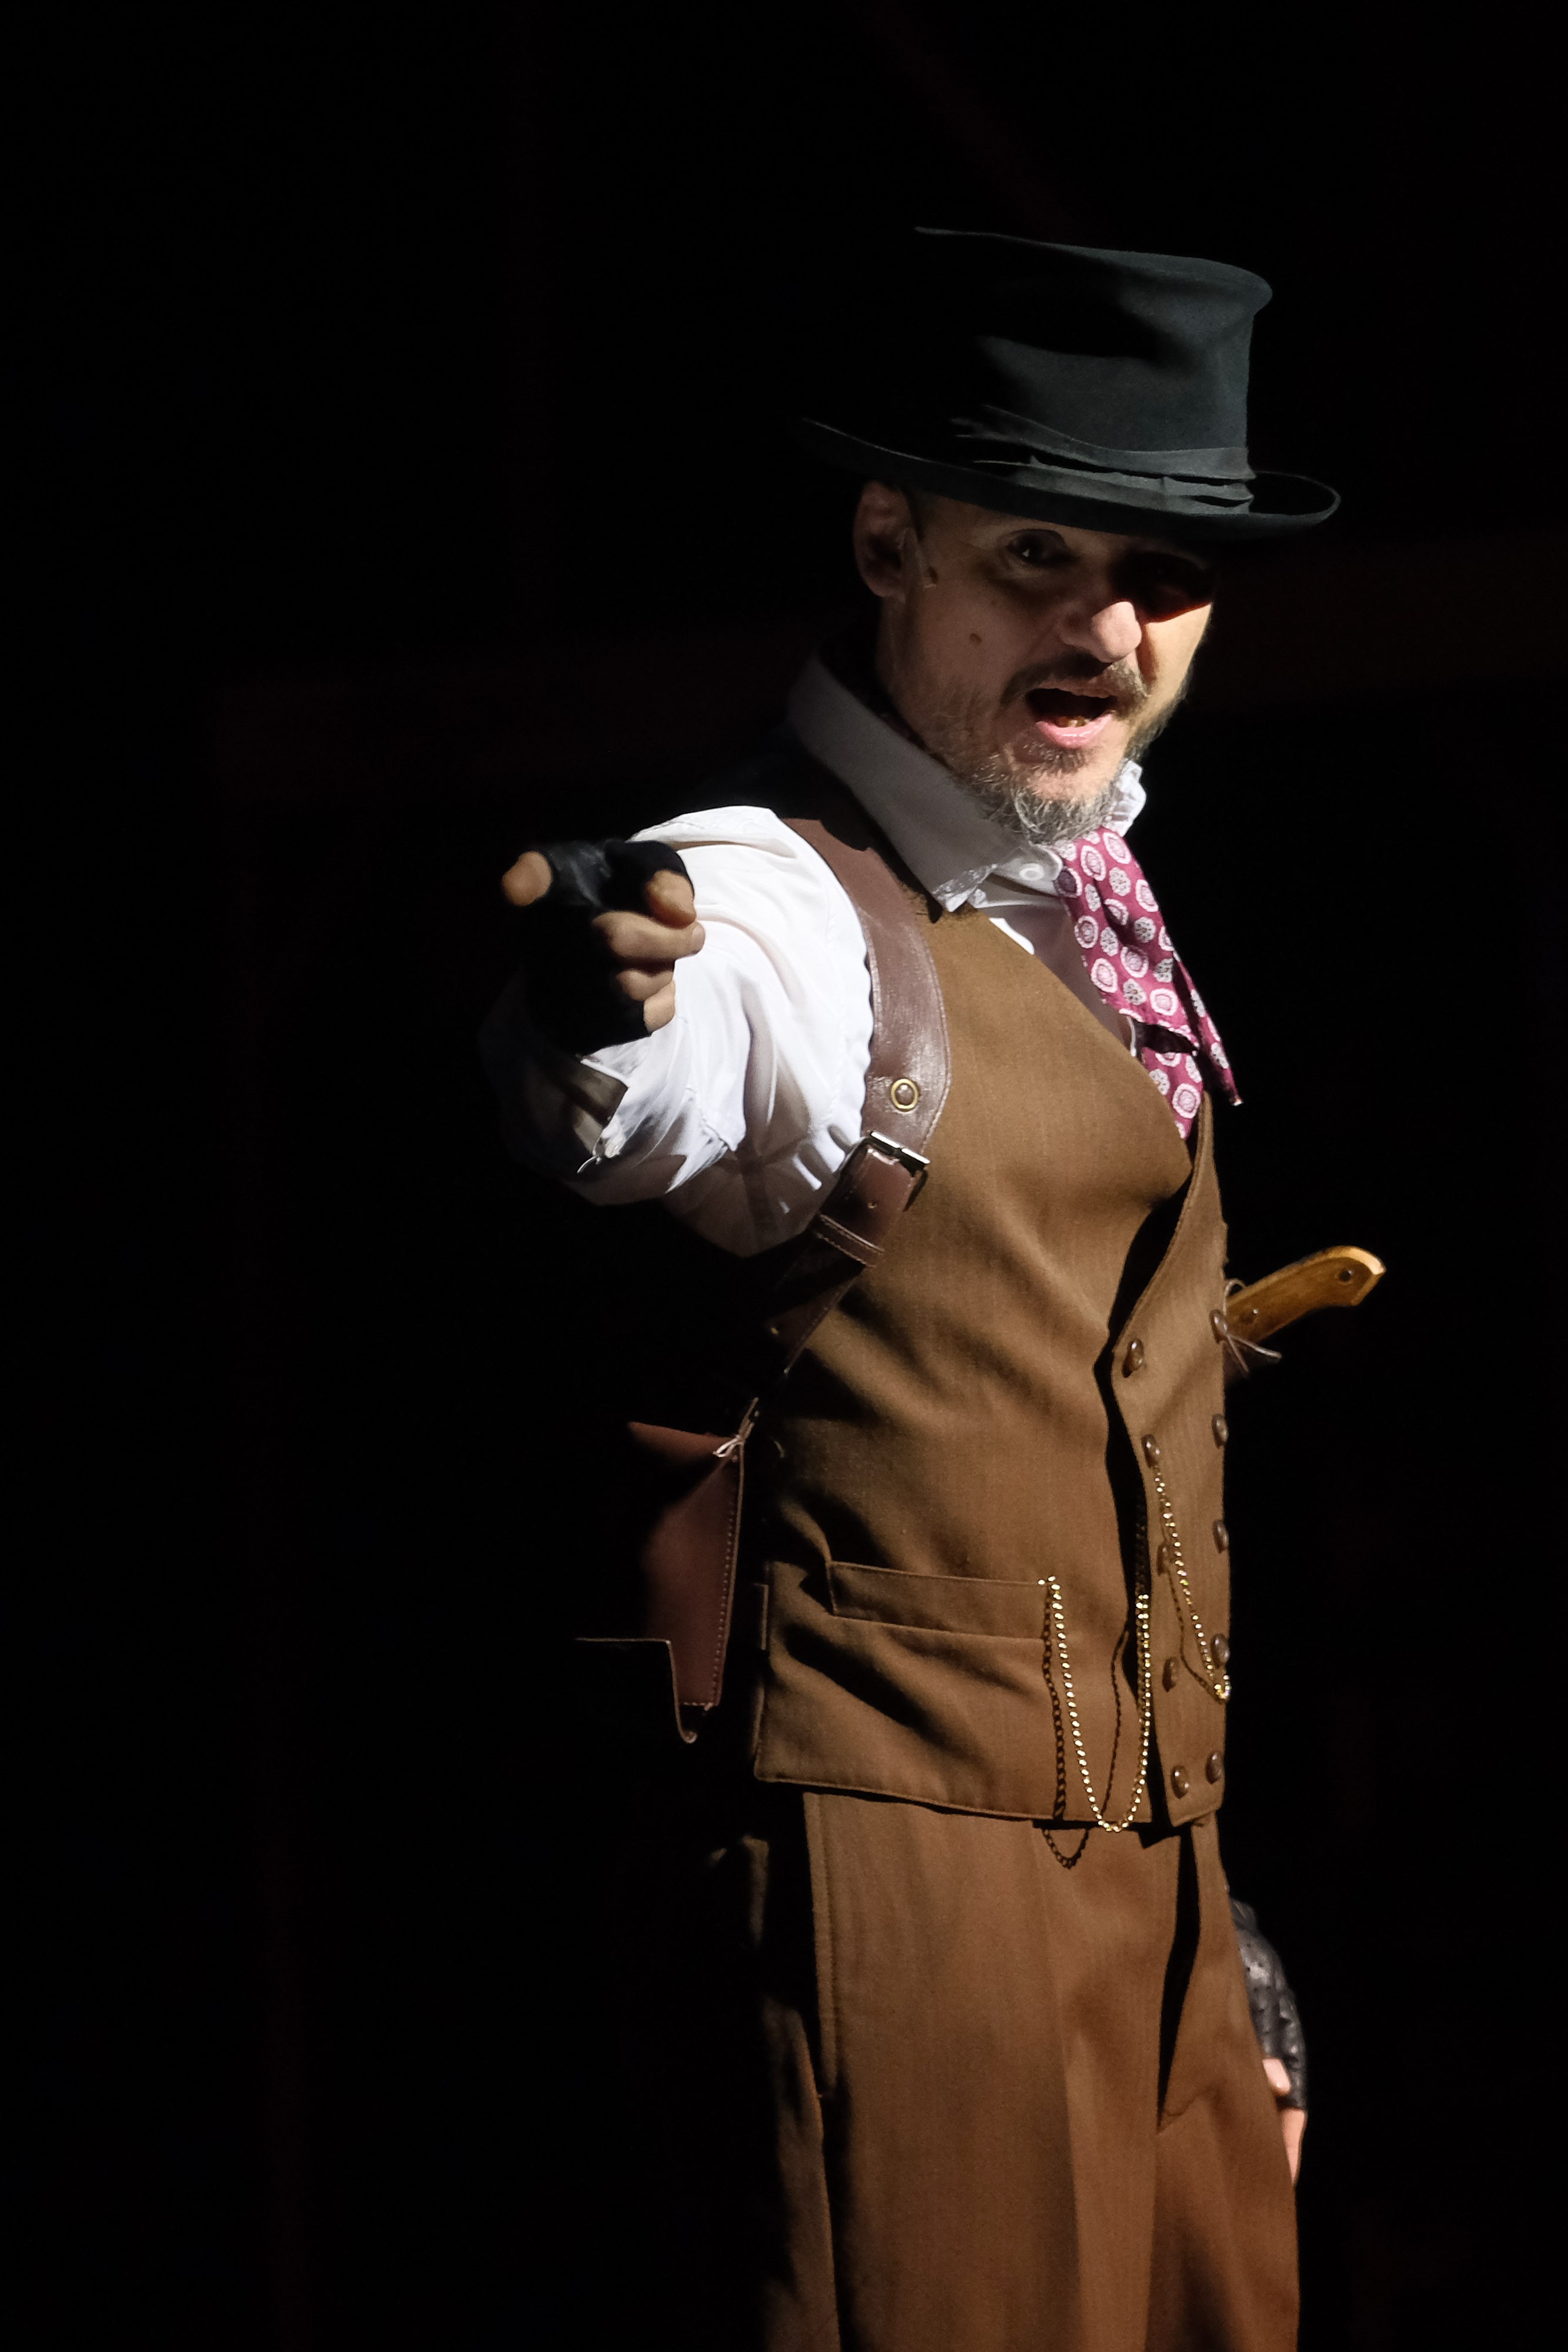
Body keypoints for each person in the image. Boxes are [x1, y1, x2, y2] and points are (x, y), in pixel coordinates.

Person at [484, 231, 1331, 2351]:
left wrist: (1213, 1941)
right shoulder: (771, 890)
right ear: (889, 544)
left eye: (1158, 574)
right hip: (901, 1884)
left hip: (1151, 1884)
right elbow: (659, 1072)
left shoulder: (1087, 893)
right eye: (1037, 554)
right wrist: (592, 1018)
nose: (1103, 629)